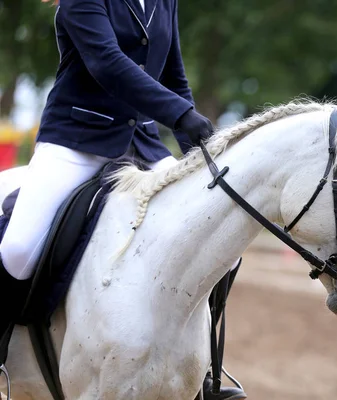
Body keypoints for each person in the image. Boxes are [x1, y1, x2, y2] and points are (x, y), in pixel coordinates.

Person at [0, 0, 245, 399]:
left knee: (221, 242)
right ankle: (4, 356)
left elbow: (174, 77)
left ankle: (205, 373)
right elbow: (108, 64)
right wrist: (182, 115)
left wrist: (196, 151)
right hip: (76, 140)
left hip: (143, 147)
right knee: (18, 249)